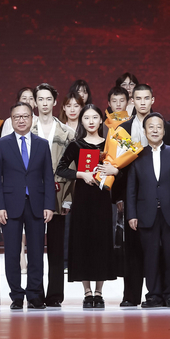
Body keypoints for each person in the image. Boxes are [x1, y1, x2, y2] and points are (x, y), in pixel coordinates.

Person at [0, 101, 56, 310]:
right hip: (10, 205)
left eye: (25, 116)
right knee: (12, 252)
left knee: (36, 252)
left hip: (37, 204)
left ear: (32, 118)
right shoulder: (2, 144)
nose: (21, 120)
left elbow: (48, 177)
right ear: (11, 120)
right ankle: (17, 296)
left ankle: (35, 294)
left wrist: (49, 205)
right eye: (17, 117)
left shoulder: (42, 144)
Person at [127, 113, 170, 308]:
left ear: (164, 131)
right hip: (146, 213)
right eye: (151, 127)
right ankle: (153, 295)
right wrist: (132, 214)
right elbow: (131, 189)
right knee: (150, 256)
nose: (155, 130)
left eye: (158, 127)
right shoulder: (136, 155)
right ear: (144, 131)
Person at [56, 105, 117, 308]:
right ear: (81, 121)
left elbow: (121, 171)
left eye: (95, 117)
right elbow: (61, 169)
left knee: (101, 243)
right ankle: (87, 292)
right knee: (83, 243)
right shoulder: (76, 145)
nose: (91, 121)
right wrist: (81, 174)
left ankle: (99, 292)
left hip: (103, 199)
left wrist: (114, 171)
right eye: (87, 118)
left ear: (101, 121)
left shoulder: (109, 145)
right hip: (82, 200)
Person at [30, 83, 76, 307]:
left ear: (55, 102)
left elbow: (72, 169)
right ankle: (35, 294)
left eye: (48, 99)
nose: (45, 103)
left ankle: (55, 295)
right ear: (34, 102)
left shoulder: (67, 133)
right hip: (33, 193)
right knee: (35, 246)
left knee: (56, 247)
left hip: (59, 192)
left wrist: (68, 199)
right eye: (40, 99)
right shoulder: (27, 130)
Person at [114, 83, 155, 307]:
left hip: (156, 194)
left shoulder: (162, 126)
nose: (142, 102)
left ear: (152, 100)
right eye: (138, 98)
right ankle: (131, 295)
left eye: (146, 98)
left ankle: (156, 294)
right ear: (133, 101)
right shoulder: (123, 129)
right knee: (131, 246)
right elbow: (117, 164)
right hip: (131, 193)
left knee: (155, 246)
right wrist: (119, 197)